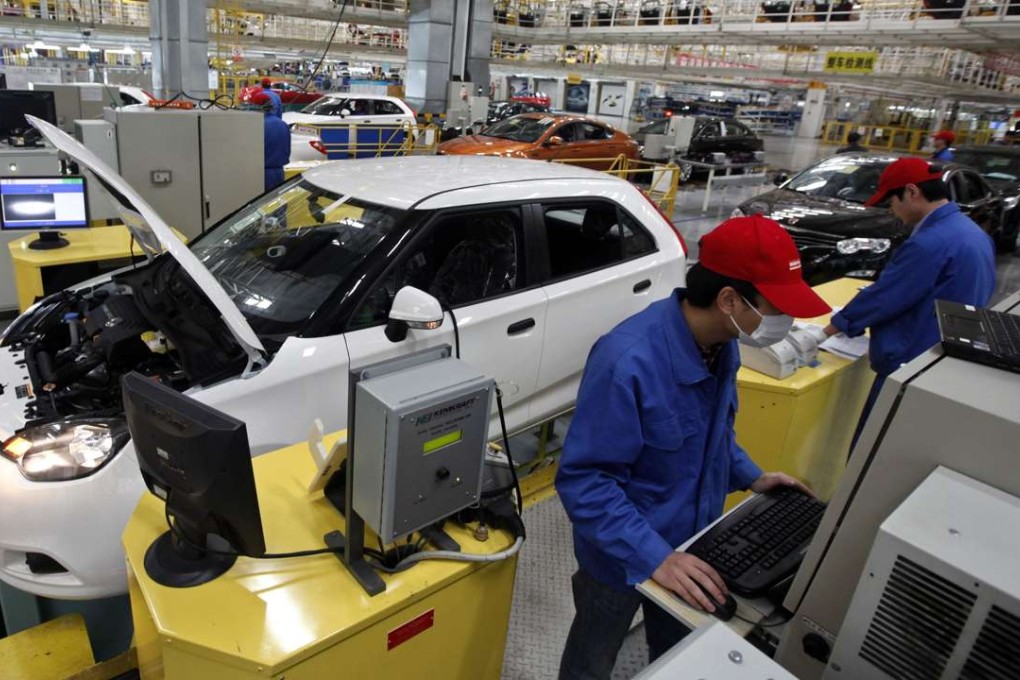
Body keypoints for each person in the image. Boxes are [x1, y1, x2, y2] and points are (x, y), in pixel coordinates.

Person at [556, 215, 829, 680]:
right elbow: (585, 481)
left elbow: (711, 433)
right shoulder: (628, 362)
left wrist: (751, 476)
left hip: (694, 542)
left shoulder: (722, 344)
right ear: (729, 299)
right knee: (593, 655)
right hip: (622, 554)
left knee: (680, 649)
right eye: (775, 307)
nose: (787, 321)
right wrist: (655, 557)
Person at [822, 157, 995, 449]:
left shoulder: (931, 242)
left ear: (912, 192)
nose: (892, 210)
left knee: (872, 449)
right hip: (945, 362)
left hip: (911, 365)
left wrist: (828, 329)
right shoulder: (973, 234)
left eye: (891, 201)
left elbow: (888, 295)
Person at [241, 89, 291, 191]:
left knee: (263, 204)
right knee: (277, 201)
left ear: (257, 107)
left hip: (263, 174)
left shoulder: (258, 126)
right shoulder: (283, 124)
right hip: (280, 172)